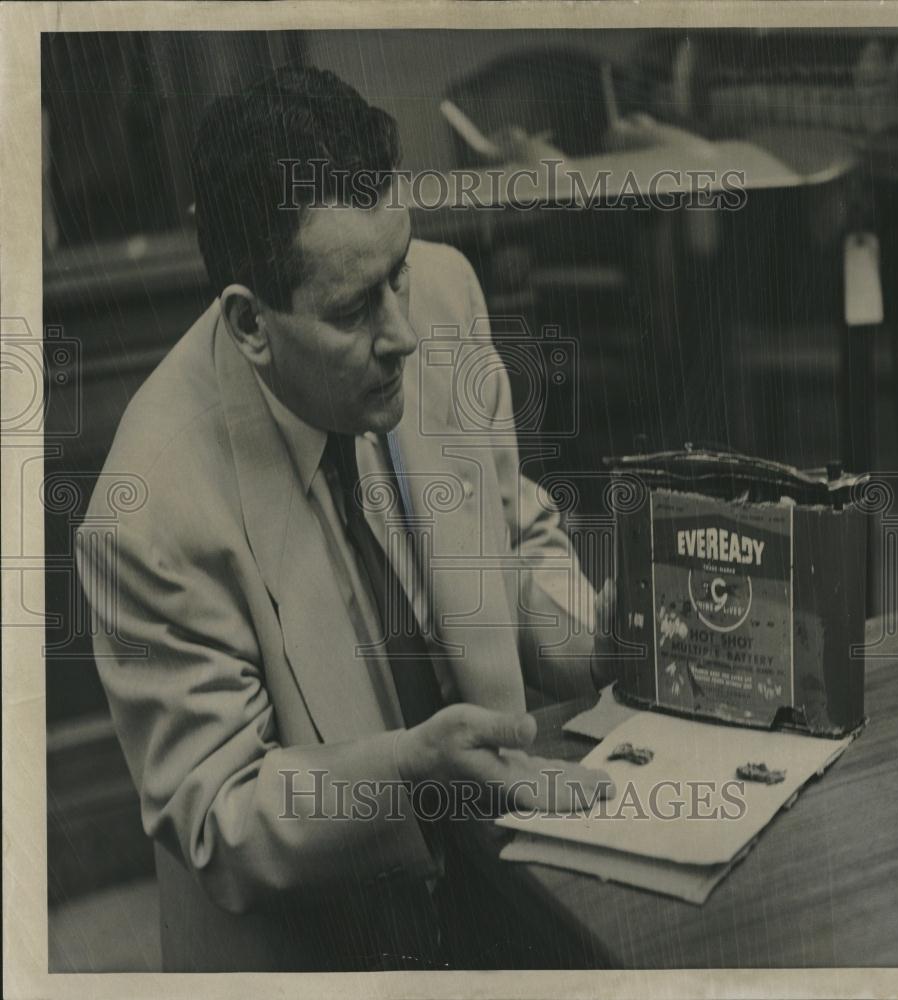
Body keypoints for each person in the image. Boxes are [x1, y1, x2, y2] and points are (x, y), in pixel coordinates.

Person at [76, 65, 613, 972]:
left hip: (507, 888)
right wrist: (411, 772)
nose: (403, 329)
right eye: (358, 308)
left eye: (398, 271)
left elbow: (516, 546)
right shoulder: (148, 514)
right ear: (251, 324)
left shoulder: (441, 296)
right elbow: (222, 814)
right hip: (321, 954)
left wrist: (600, 642)